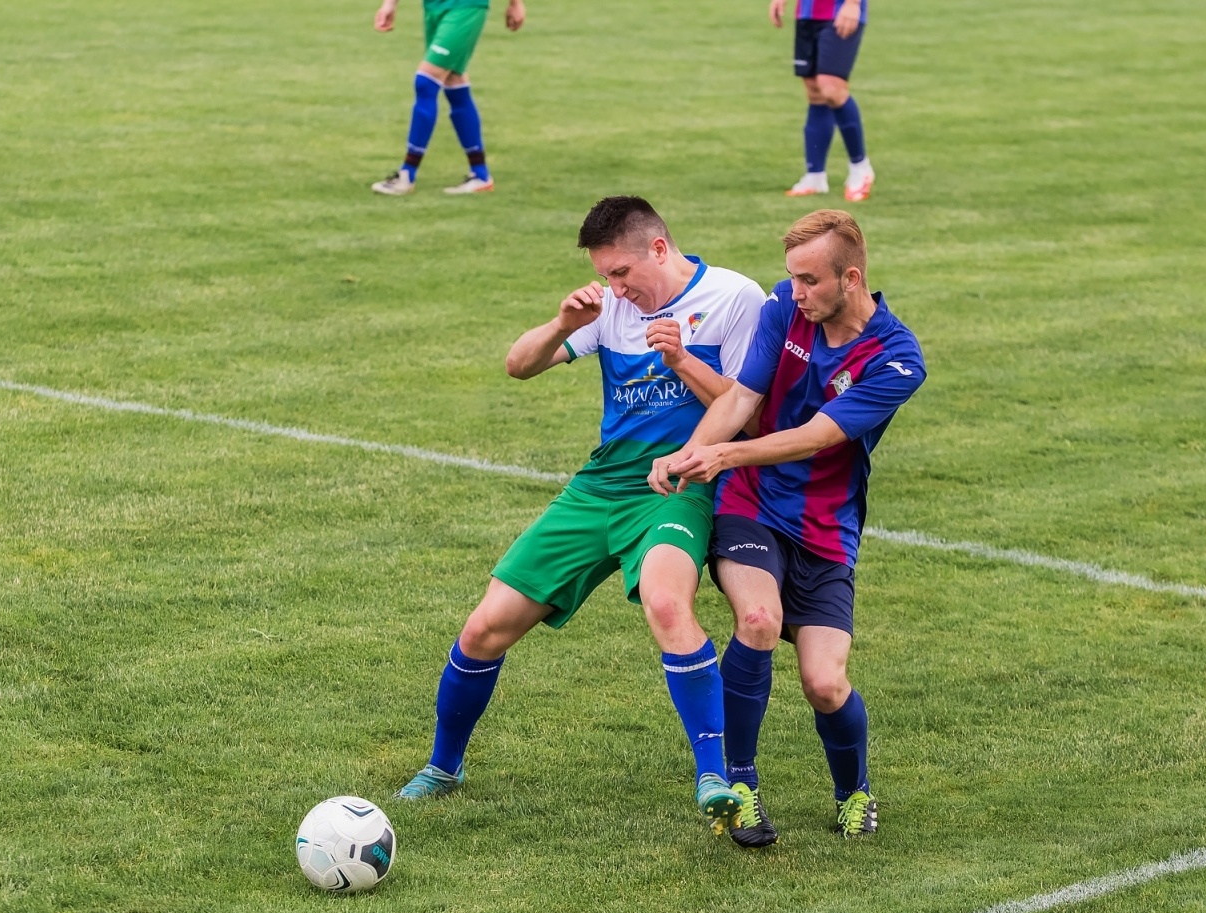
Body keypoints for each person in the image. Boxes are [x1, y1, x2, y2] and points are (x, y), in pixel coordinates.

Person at [395, 196, 768, 835]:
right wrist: (563, 323)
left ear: (659, 248)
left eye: (621, 272)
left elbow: (751, 415)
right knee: (485, 628)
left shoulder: (735, 298)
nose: (615, 288)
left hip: (677, 489)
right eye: (605, 276)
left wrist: (683, 360)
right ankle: (443, 766)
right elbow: (518, 365)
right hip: (597, 489)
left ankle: (713, 777)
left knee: (667, 604)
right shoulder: (611, 308)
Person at [648, 209, 925, 845]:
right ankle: (739, 784)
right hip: (751, 502)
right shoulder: (784, 308)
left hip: (826, 525)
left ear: (851, 278)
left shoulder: (896, 358)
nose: (795, 292)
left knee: (825, 684)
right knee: (758, 619)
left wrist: (723, 454)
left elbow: (816, 437)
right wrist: (693, 454)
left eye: (809, 280)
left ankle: (853, 790)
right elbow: (743, 398)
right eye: (792, 277)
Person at [370, 0, 525, 195]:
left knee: (426, 82)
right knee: (455, 85)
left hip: (466, 7)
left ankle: (407, 173)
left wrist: (515, 3)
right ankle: (480, 175)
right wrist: (390, 4)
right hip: (434, 7)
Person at [770, 0, 874, 201]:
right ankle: (815, 176)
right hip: (807, 13)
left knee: (832, 88)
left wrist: (853, 4)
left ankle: (860, 168)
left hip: (839, 11)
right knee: (814, 91)